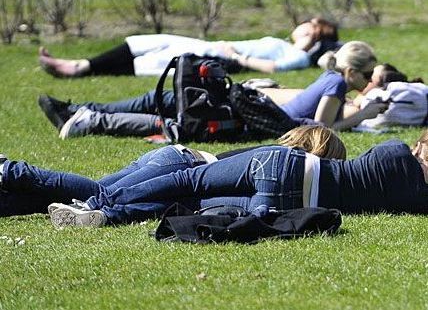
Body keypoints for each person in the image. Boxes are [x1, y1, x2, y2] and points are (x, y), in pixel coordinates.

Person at [50, 129, 428, 228]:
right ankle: (104, 218)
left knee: (190, 183)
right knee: (192, 204)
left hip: (292, 166)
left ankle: (98, 204)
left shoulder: (397, 153)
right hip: (295, 205)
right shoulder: (417, 201)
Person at [38, 41, 387, 140]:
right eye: (368, 72)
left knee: (168, 103)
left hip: (253, 106)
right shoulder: (337, 82)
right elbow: (319, 130)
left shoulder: (334, 81)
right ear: (352, 70)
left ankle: (84, 113)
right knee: (170, 109)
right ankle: (81, 113)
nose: (370, 78)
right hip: (255, 115)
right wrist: (367, 113)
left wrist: (359, 107)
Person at [0, 126, 346, 223]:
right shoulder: (281, 162)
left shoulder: (271, 155)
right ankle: (8, 168)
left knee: (70, 201)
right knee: (97, 192)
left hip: (172, 157)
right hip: (179, 163)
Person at [38, 18, 341, 77]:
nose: (300, 23)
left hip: (223, 58)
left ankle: (78, 68)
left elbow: (274, 68)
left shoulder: (299, 57)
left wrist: (237, 56)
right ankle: (84, 64)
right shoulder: (288, 45)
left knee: (159, 60)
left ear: (314, 32)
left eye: (308, 23)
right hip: (214, 47)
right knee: (152, 41)